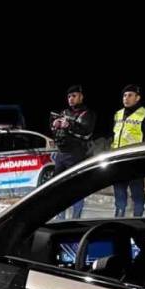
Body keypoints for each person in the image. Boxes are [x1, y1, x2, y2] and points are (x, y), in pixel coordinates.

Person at [110, 84, 145, 217]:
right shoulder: (118, 114)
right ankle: (118, 217)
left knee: (137, 192)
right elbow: (115, 137)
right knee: (119, 192)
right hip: (118, 160)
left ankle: (138, 218)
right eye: (124, 95)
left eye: (130, 95)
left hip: (135, 161)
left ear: (137, 98)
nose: (126, 98)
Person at [50, 84, 96, 219]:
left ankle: (76, 218)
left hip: (76, 154)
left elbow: (87, 133)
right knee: (58, 188)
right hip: (61, 154)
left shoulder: (88, 114)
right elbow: (56, 132)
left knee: (76, 188)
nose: (71, 99)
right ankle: (60, 218)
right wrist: (54, 126)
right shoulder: (64, 112)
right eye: (69, 96)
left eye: (74, 96)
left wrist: (70, 125)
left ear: (81, 97)